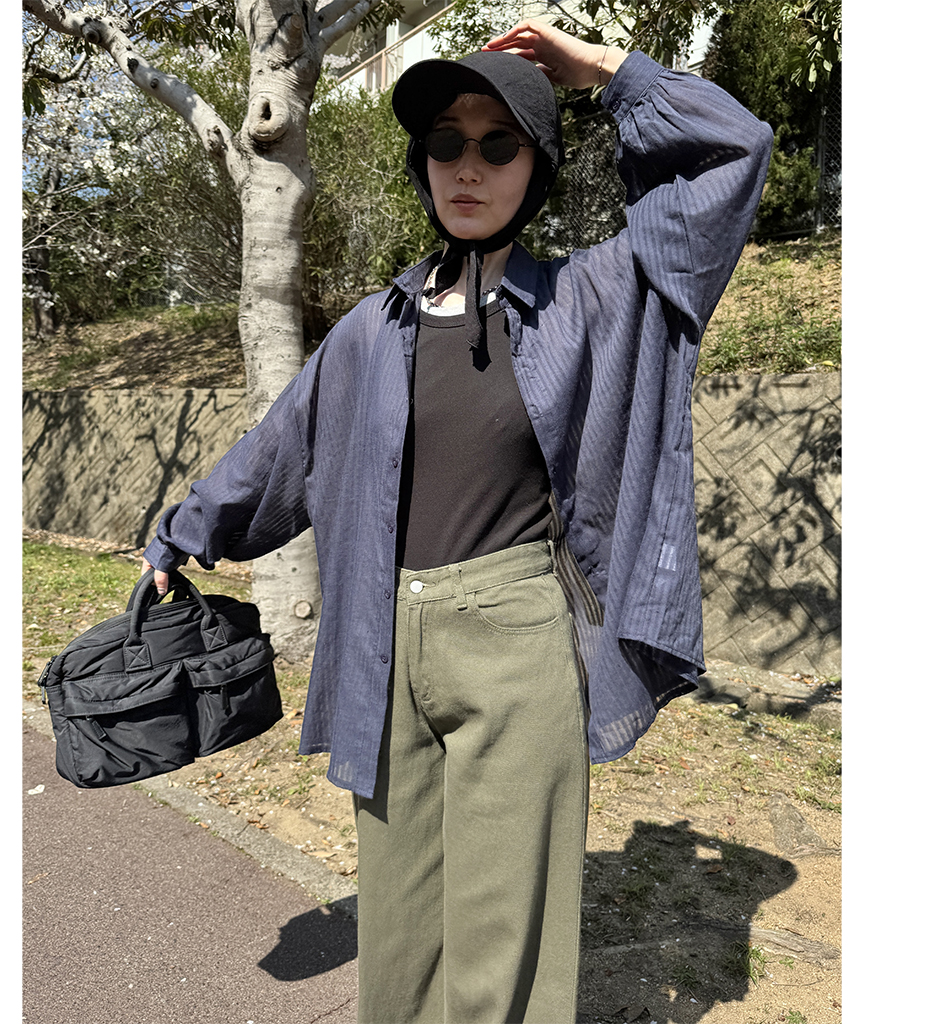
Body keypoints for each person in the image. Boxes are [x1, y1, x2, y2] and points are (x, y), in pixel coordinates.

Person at [141, 19, 773, 1024]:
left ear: (538, 164)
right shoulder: (369, 330)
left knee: (501, 943)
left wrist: (605, 73)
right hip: (381, 642)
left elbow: (733, 153)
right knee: (399, 936)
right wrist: (184, 530)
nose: (467, 166)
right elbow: (281, 448)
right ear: (421, 162)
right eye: (445, 142)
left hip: (516, 641)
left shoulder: (595, 295)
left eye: (497, 143)